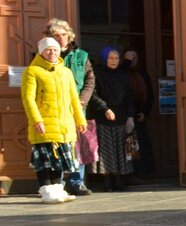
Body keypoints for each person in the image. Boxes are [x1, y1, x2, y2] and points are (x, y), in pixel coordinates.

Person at [21, 37, 87, 204]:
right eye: (48, 50)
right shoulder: (32, 71)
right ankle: (46, 190)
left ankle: (58, 189)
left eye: (56, 50)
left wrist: (80, 120)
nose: (52, 53)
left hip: (64, 125)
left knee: (59, 160)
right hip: (44, 123)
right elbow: (28, 99)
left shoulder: (66, 72)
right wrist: (37, 120)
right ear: (41, 52)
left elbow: (74, 98)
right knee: (44, 161)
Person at [46, 19, 94, 196]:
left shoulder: (81, 56)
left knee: (76, 146)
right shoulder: (45, 56)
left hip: (77, 108)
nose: (60, 39)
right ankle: (56, 182)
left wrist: (82, 100)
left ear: (70, 35)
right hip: (54, 109)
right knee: (56, 145)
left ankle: (76, 182)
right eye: (56, 35)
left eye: (63, 35)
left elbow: (90, 80)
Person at [89, 46, 137, 192]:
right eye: (110, 58)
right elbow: (93, 94)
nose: (114, 61)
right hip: (103, 117)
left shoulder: (122, 76)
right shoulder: (97, 74)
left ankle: (119, 179)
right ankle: (108, 181)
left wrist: (130, 116)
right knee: (107, 151)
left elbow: (129, 96)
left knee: (120, 150)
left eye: (116, 58)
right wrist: (105, 109)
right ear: (104, 59)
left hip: (121, 117)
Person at [122, 49, 156, 180]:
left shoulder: (142, 74)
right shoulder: (122, 74)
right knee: (128, 146)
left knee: (141, 146)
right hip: (124, 116)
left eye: (134, 57)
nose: (131, 60)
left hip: (139, 116)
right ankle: (130, 175)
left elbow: (150, 95)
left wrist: (145, 112)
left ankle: (143, 173)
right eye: (128, 58)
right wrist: (126, 63)